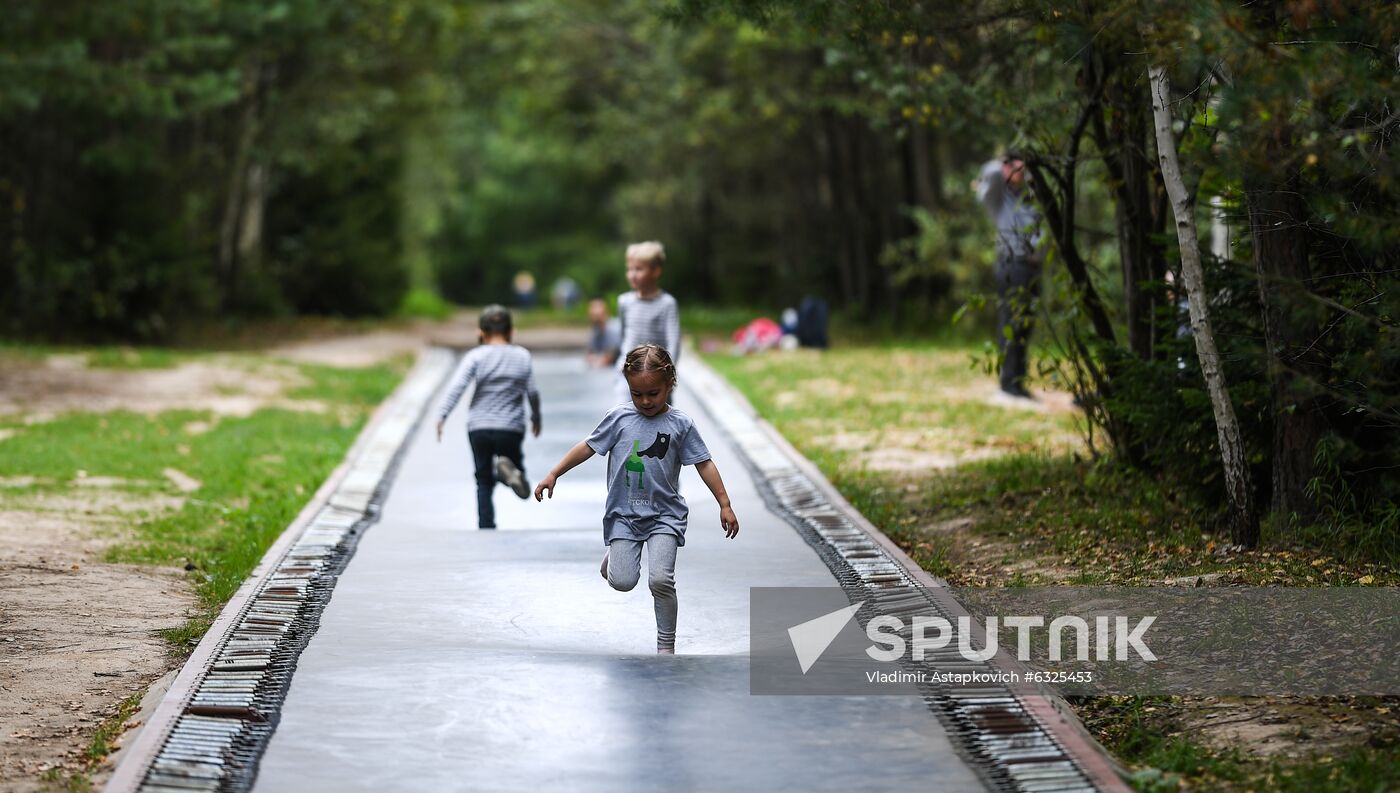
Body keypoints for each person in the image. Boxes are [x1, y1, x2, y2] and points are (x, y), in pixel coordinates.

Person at [533, 344, 739, 654]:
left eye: (653, 393)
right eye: (636, 394)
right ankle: (614, 559)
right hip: (624, 516)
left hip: (665, 516)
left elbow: (704, 462)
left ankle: (665, 645)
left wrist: (724, 503)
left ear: (670, 384)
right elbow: (588, 446)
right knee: (623, 581)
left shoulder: (681, 425)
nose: (645, 401)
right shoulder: (618, 419)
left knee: (660, 580)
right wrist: (554, 473)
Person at [436, 305, 541, 529]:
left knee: (483, 479)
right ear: (511, 331)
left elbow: (457, 387)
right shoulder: (522, 355)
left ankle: (486, 525)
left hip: (479, 427)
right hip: (510, 427)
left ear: (481, 333)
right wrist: (536, 417)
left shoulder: (476, 356)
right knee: (514, 468)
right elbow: (532, 391)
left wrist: (442, 414)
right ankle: (509, 474)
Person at [975, 150, 1043, 399]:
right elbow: (991, 172)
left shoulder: (1029, 197)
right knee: (1011, 323)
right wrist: (1006, 161)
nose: (1021, 172)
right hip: (1011, 265)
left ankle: (1019, 381)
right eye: (1016, 167)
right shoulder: (997, 197)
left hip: (1032, 268)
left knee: (1026, 325)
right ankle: (1007, 383)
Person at [615, 241, 680, 403]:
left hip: (656, 374)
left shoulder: (667, 303)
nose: (632, 275)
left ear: (656, 271)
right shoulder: (624, 301)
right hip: (628, 373)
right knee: (625, 415)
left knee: (660, 420)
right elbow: (623, 335)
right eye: (629, 269)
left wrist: (668, 373)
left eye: (639, 269)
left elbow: (674, 341)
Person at [585, 297, 622, 368]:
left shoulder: (615, 329)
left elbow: (608, 359)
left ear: (605, 314)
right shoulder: (595, 330)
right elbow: (588, 356)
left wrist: (595, 359)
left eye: (596, 316)